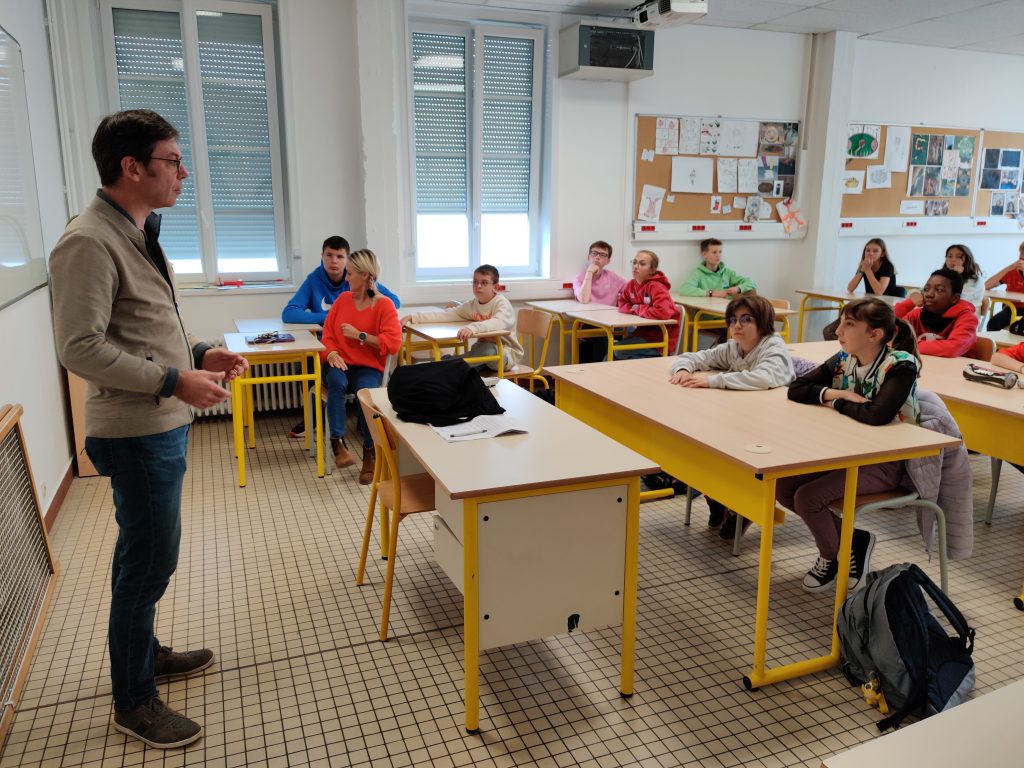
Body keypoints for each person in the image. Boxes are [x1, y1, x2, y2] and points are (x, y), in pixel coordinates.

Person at [49, 109, 250, 749]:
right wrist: (172, 381)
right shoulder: (88, 240)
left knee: (148, 556)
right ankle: (133, 702)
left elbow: (143, 324)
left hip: (158, 422)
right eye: (171, 160)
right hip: (135, 431)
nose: (182, 172)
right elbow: (78, 347)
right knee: (147, 562)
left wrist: (197, 354)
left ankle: (147, 653)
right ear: (131, 167)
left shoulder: (137, 229)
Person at [780, 298, 921, 593]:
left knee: (808, 498)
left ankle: (832, 557)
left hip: (887, 463)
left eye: (849, 324)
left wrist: (838, 401)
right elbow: (797, 388)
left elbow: (876, 415)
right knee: (782, 486)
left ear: (875, 335)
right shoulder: (846, 358)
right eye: (841, 321)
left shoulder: (900, 366)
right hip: (844, 452)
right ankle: (854, 540)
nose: (838, 331)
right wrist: (832, 393)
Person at [669, 296, 795, 538]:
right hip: (742, 417)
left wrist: (714, 380)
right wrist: (683, 369)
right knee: (700, 445)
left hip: (772, 427)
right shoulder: (733, 347)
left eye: (746, 320)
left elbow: (765, 377)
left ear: (763, 322)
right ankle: (716, 498)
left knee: (723, 450)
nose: (737, 326)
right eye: (733, 320)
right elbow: (692, 357)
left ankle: (741, 506)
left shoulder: (772, 347)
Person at [282, 235, 401, 438]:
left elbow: (393, 302)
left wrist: (366, 318)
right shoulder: (314, 280)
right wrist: (329, 317)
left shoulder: (364, 285)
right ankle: (316, 418)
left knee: (362, 381)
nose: (334, 261)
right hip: (332, 347)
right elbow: (289, 312)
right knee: (314, 368)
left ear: (348, 261)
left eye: (339, 256)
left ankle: (363, 429)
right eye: (329, 255)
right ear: (322, 257)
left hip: (361, 354)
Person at [320, 249, 402, 483]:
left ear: (365, 275)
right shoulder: (343, 300)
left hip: (368, 366)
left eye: (351, 273)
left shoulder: (384, 306)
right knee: (336, 383)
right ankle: (337, 443)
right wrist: (332, 352)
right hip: (340, 361)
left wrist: (361, 336)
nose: (346, 278)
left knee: (364, 395)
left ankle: (369, 453)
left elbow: (393, 344)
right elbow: (327, 334)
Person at [400, 264, 523, 371]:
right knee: (462, 370)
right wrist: (413, 317)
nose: (478, 286)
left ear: (495, 286)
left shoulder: (502, 304)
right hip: (480, 353)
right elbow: (447, 314)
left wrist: (473, 327)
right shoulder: (472, 304)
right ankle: (447, 365)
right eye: (475, 281)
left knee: (487, 350)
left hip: (506, 354)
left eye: (484, 282)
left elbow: (497, 323)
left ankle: (446, 363)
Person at [895, 268, 978, 357]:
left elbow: (952, 349)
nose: (929, 294)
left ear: (954, 298)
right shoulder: (918, 314)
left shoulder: (967, 319)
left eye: (939, 290)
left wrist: (908, 345)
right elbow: (889, 330)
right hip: (924, 366)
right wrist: (908, 303)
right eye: (926, 289)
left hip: (955, 369)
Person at [615, 250, 682, 359]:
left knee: (619, 351)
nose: (636, 266)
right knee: (610, 353)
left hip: (661, 337)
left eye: (642, 264)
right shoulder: (631, 284)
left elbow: (662, 312)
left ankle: (653, 365)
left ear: (652, 270)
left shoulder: (657, 286)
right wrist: (638, 308)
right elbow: (621, 304)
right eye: (635, 262)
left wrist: (637, 308)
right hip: (643, 332)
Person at [572, 240, 627, 363]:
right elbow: (584, 299)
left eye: (602, 255)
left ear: (608, 261)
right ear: (588, 257)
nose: (597, 257)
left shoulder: (613, 277)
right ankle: (602, 369)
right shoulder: (579, 277)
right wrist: (590, 272)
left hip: (611, 322)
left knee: (633, 331)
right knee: (602, 333)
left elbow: (631, 288)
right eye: (594, 253)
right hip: (588, 322)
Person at [677, 238, 757, 298]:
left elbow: (752, 283)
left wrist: (739, 288)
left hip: (726, 312)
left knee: (752, 293)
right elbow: (684, 289)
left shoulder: (727, 272)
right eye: (714, 252)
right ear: (704, 254)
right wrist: (712, 293)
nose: (718, 255)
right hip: (707, 314)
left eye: (720, 252)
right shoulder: (698, 273)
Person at [983, 243, 1024, 331]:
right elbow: (986, 286)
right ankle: (994, 344)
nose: (1021, 257)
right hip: (1011, 308)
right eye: (1021, 253)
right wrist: (1008, 269)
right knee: (993, 323)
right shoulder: (1013, 272)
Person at [943, 243, 985, 315]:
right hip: (945, 313)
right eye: (949, 256)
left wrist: (956, 276)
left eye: (959, 257)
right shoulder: (942, 275)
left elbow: (960, 301)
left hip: (966, 317)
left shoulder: (975, 279)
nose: (953, 260)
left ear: (967, 260)